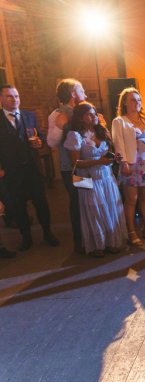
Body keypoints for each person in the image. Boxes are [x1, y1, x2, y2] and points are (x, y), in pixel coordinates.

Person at [0, 84, 59, 251]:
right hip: (12, 172)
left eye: (16, 96)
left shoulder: (29, 115)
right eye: (10, 96)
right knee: (19, 207)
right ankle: (26, 238)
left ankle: (48, 233)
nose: (14, 99)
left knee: (42, 204)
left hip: (33, 170)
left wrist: (39, 143)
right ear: (1, 99)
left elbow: (39, 136)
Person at [64, 102, 127, 257]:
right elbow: (74, 163)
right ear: (80, 118)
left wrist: (114, 158)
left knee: (110, 209)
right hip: (85, 178)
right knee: (93, 211)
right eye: (89, 114)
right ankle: (97, 245)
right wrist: (99, 161)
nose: (94, 116)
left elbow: (106, 154)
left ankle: (111, 242)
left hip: (106, 176)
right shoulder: (75, 135)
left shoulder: (101, 131)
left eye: (94, 113)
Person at [111, 88, 145, 246]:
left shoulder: (144, 120)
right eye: (132, 99)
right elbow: (118, 144)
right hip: (130, 164)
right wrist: (123, 162)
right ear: (125, 102)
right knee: (131, 200)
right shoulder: (120, 121)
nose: (136, 102)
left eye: (138, 100)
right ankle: (131, 231)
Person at [47, 79, 87, 252]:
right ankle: (80, 242)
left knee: (87, 199)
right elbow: (51, 142)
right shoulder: (58, 114)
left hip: (87, 165)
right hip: (72, 169)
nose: (84, 93)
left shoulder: (82, 111)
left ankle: (91, 237)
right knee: (78, 201)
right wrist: (59, 126)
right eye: (81, 90)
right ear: (72, 93)